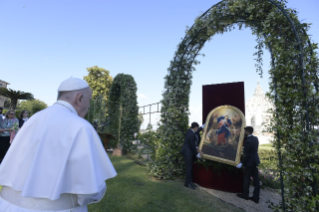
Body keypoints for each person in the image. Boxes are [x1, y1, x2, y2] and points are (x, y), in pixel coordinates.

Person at [0, 78, 117, 212]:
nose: (89, 106)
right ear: (79, 99)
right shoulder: (81, 126)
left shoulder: (33, 119)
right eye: (88, 101)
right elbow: (90, 190)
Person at [236, 126, 261, 203]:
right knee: (256, 180)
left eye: (244, 131)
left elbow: (247, 154)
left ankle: (245, 195)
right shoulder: (255, 139)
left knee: (246, 178)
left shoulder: (247, 141)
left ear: (247, 132)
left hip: (249, 162)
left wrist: (242, 163)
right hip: (255, 161)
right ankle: (256, 197)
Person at [181, 122, 203, 190]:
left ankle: (190, 182)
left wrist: (201, 128)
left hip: (189, 152)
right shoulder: (191, 134)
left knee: (190, 168)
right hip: (188, 153)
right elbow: (192, 146)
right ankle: (187, 183)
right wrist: (197, 154)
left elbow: (197, 133)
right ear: (195, 127)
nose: (197, 129)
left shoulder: (191, 131)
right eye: (197, 128)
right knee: (189, 168)